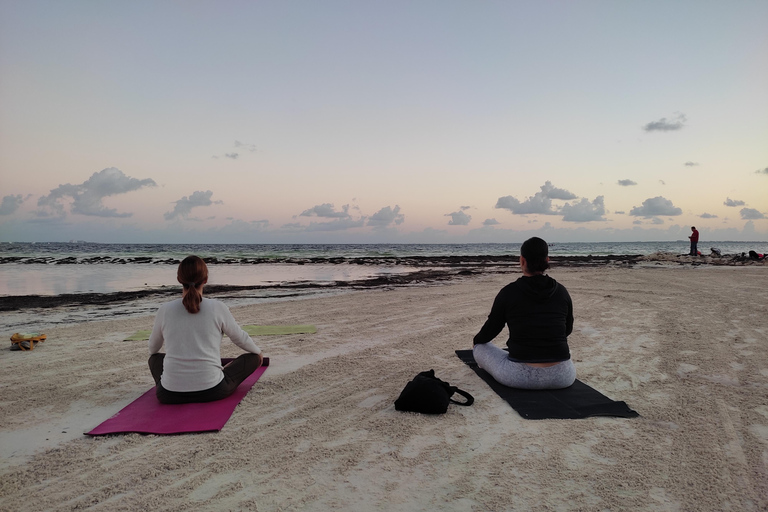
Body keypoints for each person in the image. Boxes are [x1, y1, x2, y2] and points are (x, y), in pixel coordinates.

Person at [148, 255, 264, 404]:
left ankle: (177, 381)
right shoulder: (217, 307)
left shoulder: (165, 310)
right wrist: (258, 353)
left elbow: (153, 349)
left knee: (154, 359)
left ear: (179, 279)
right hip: (213, 390)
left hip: (169, 395)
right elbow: (239, 338)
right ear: (205, 280)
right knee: (253, 358)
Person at [472, 237, 576, 390]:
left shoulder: (508, 292)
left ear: (522, 260)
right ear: (547, 260)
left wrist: (476, 341)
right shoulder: (561, 291)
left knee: (480, 348)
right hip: (563, 376)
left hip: (519, 376)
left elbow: (491, 330)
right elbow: (567, 329)